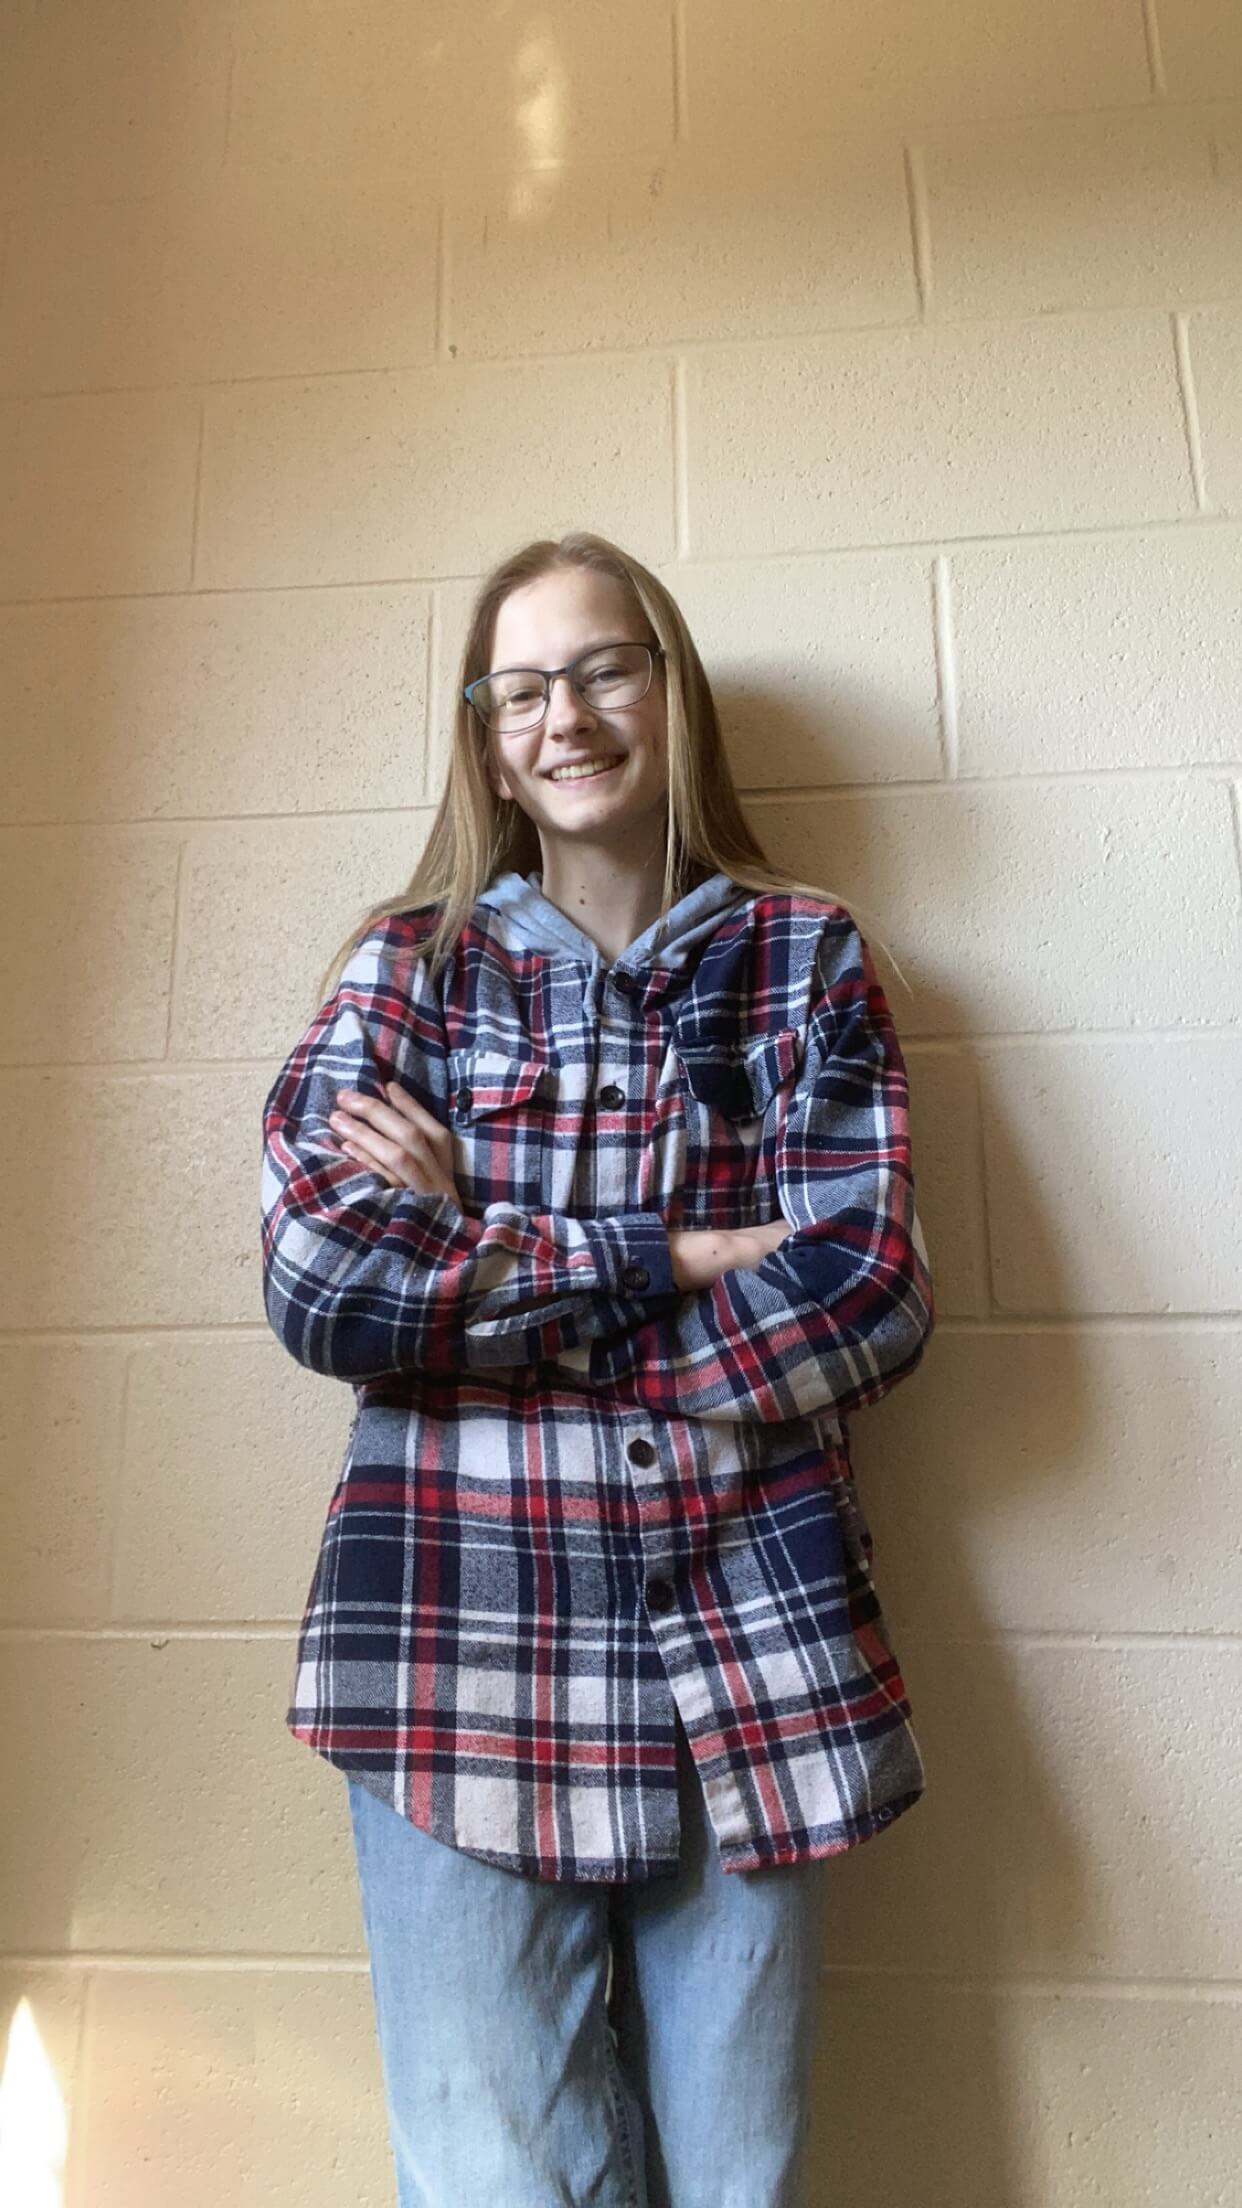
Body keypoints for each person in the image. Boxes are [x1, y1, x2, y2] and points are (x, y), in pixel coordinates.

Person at [260, 531, 936, 2208]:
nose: (564, 716)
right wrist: (665, 1255)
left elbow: (866, 1294)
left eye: (602, 668)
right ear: (485, 732)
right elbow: (323, 1276)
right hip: (451, 1655)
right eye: (519, 686)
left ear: (670, 687)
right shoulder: (403, 971)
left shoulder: (805, 958)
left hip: (750, 1655)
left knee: (738, 2183)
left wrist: (479, 1260)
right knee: (498, 2182)